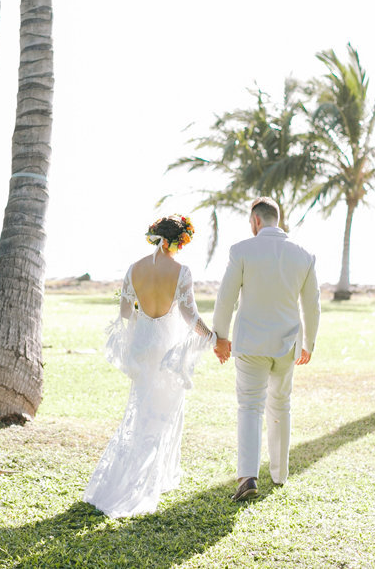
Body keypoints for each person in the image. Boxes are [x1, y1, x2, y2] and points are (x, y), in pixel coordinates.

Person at [83, 214, 227, 518]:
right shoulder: (182, 271)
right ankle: (145, 482)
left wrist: (143, 312)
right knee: (160, 417)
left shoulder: (134, 269)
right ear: (177, 241)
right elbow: (191, 318)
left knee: (139, 413)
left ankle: (136, 477)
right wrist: (213, 337)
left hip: (143, 346)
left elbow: (125, 311)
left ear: (155, 237)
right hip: (166, 350)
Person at [212, 197, 320, 502]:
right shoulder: (304, 255)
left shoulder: (242, 250)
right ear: (276, 217)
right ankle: (279, 473)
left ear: (256, 220)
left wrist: (220, 338)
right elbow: (312, 307)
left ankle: (248, 476)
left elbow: (225, 299)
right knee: (280, 405)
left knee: (249, 406)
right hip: (287, 345)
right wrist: (309, 344)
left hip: (250, 345)